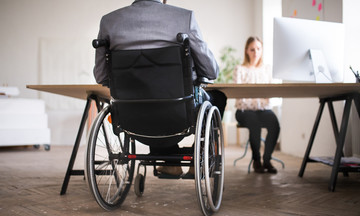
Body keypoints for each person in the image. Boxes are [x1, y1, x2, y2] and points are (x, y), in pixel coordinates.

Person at [94, 0, 226, 176]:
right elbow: (210, 71)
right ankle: (199, 158)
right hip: (179, 117)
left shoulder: (109, 22)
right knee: (217, 98)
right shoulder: (184, 17)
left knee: (150, 99)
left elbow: (101, 76)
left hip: (132, 119)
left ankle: (169, 162)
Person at [233, 36, 280, 174]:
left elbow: (269, 98)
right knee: (255, 123)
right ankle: (256, 161)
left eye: (258, 49)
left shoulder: (267, 70)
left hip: (262, 110)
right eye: (252, 49)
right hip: (243, 111)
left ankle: (267, 159)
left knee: (275, 124)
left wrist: (252, 100)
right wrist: (259, 101)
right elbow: (240, 99)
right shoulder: (239, 69)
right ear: (247, 51)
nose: (256, 52)